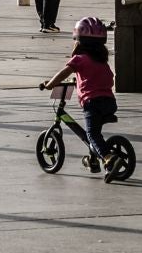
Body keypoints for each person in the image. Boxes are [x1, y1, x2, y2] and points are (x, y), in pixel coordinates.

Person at [39, 16, 118, 182]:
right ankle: (93, 161)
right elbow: (106, 78)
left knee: (91, 135)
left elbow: (63, 74)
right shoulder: (102, 61)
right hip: (109, 102)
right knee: (95, 132)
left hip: (93, 103)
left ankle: (109, 159)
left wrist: (51, 84)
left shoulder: (79, 60)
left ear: (79, 42)